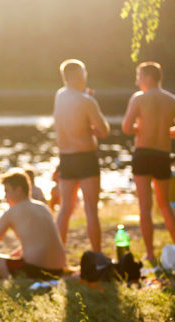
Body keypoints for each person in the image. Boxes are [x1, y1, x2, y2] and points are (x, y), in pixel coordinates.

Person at [121, 61, 175, 262]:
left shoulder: (139, 99)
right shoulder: (174, 101)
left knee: (145, 206)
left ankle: (150, 253)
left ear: (149, 78)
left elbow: (126, 127)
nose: (136, 81)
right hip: (162, 155)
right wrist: (165, 132)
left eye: (139, 77)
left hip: (143, 153)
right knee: (165, 204)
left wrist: (141, 129)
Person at [0, 170, 66, 281]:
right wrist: (10, 257)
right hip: (58, 270)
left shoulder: (11, 212)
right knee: (12, 258)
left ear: (19, 190)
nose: (5, 197)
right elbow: (42, 242)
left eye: (7, 191)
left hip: (32, 270)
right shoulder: (43, 207)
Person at [53, 59, 110, 252]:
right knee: (91, 210)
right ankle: (97, 254)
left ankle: (58, 255)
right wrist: (92, 127)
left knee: (65, 209)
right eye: (84, 74)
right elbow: (104, 131)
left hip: (66, 158)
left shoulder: (59, 95)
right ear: (79, 76)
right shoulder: (87, 101)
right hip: (85, 157)